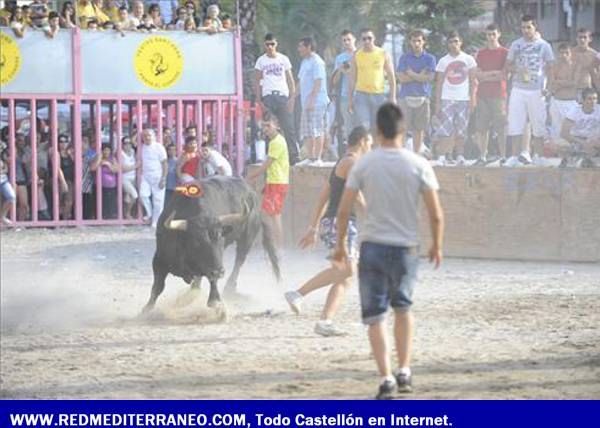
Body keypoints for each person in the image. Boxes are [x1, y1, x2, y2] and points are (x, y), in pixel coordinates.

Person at [332, 103, 444, 399]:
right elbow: (436, 214)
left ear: (378, 131)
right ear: (403, 130)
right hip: (406, 246)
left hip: (373, 246)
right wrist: (437, 244)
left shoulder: (364, 165)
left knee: (375, 316)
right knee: (404, 308)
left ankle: (385, 377)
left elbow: (344, 210)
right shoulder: (418, 164)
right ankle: (405, 369)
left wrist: (340, 245)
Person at [284, 126, 372, 337]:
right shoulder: (352, 163)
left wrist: (313, 228)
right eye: (370, 142)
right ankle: (297, 293)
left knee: (345, 277)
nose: (371, 147)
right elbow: (357, 196)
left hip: (337, 222)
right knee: (347, 271)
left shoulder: (342, 163)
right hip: (339, 223)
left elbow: (324, 196)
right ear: (361, 141)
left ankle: (325, 321)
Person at [506, 15, 554, 165]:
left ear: (535, 27)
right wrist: (518, 70)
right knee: (515, 123)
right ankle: (514, 157)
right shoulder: (516, 44)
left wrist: (549, 88)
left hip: (537, 90)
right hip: (518, 89)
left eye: (528, 27)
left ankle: (539, 157)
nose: (525, 30)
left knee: (538, 124)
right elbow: (508, 65)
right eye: (523, 27)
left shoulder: (544, 45)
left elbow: (551, 68)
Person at [254, 33, 300, 165]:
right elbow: (257, 81)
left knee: (288, 127)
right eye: (267, 44)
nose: (270, 47)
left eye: (272, 44)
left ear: (276, 44)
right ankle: (271, 156)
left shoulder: (283, 59)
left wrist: (292, 98)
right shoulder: (261, 61)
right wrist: (259, 101)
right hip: (268, 97)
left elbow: (290, 80)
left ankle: (294, 156)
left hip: (282, 96)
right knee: (269, 127)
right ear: (264, 45)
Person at [433, 31, 477, 165]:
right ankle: (442, 156)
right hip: (447, 98)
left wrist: (472, 99)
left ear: (461, 42)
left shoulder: (469, 60)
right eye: (451, 42)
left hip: (464, 99)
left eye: (456, 41)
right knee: (445, 129)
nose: (454, 45)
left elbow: (472, 81)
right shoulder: (443, 61)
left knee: (461, 129)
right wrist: (437, 103)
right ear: (448, 44)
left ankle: (460, 155)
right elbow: (439, 83)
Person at [247, 113, 289, 252]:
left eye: (268, 125)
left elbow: (266, 165)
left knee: (274, 216)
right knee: (271, 215)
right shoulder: (275, 141)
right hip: (275, 182)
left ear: (276, 125)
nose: (265, 129)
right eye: (264, 126)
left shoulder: (276, 142)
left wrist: (250, 176)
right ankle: (275, 247)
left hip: (277, 183)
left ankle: (278, 248)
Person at [396, 29, 436, 155]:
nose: (416, 43)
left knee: (419, 129)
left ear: (424, 42)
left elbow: (429, 78)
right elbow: (401, 78)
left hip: (423, 97)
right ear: (410, 42)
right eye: (414, 41)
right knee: (403, 128)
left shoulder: (430, 58)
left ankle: (417, 154)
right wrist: (420, 75)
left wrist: (411, 73)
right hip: (405, 97)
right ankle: (401, 155)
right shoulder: (404, 58)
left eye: (419, 41)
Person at [348, 28, 397, 132]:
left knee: (378, 128)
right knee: (364, 126)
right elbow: (352, 78)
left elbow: (391, 76)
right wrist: (350, 98)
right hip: (361, 95)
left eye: (369, 38)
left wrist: (393, 97)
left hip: (379, 95)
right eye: (364, 39)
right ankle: (366, 148)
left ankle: (375, 148)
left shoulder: (383, 54)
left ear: (374, 39)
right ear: (360, 40)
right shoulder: (356, 55)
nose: (366, 41)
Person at [473, 24, 508, 164]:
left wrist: (488, 75)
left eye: (493, 34)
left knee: (501, 127)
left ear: (499, 34)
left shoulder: (505, 52)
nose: (491, 37)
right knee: (482, 127)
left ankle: (503, 155)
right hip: (482, 94)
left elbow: (504, 75)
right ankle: (482, 155)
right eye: (488, 34)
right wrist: (493, 73)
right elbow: (478, 76)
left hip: (499, 94)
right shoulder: (481, 53)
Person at [296, 36, 330, 166]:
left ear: (309, 47)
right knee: (307, 131)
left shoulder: (317, 62)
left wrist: (312, 99)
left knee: (317, 129)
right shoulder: (305, 62)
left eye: (301, 46)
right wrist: (293, 97)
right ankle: (310, 157)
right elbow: (300, 81)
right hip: (305, 103)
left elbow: (318, 81)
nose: (299, 49)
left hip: (317, 102)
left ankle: (317, 158)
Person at [559, 88, 600, 167]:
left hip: (593, 139)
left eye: (595, 99)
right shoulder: (574, 111)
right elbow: (564, 133)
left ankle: (586, 159)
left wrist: (595, 140)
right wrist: (582, 142)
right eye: (589, 99)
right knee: (559, 145)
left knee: (592, 147)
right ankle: (577, 159)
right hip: (576, 139)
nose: (593, 102)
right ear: (583, 100)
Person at [331, 30, 357, 144]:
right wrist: (340, 70)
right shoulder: (339, 58)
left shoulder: (360, 54)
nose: (347, 42)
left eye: (349, 39)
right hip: (345, 96)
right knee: (348, 125)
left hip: (361, 94)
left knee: (362, 124)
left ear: (354, 40)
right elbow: (334, 81)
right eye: (344, 40)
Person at [548, 43, 578, 139]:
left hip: (571, 101)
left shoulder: (576, 66)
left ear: (571, 53)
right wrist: (566, 82)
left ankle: (571, 151)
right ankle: (557, 152)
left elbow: (574, 83)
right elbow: (552, 83)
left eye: (566, 53)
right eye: (561, 53)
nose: (564, 55)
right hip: (556, 101)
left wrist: (559, 82)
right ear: (558, 54)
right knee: (556, 129)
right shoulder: (554, 66)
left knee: (571, 129)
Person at [140, 128, 167, 228]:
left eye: (149, 135)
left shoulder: (159, 147)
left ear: (154, 136)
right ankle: (150, 214)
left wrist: (163, 178)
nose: (147, 137)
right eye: (145, 135)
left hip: (158, 176)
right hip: (146, 176)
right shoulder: (142, 147)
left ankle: (156, 222)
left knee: (158, 201)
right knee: (143, 195)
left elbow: (164, 163)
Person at [92, 144, 119, 219]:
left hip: (111, 185)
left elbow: (116, 170)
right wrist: (99, 159)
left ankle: (110, 217)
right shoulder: (98, 158)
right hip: (100, 185)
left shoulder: (112, 159)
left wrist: (108, 164)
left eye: (108, 150)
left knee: (110, 202)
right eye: (104, 150)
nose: (106, 152)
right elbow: (92, 168)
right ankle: (100, 217)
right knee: (101, 202)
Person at [572, 28, 599, 99]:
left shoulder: (594, 55)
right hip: (571, 89)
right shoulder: (570, 53)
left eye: (585, 37)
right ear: (576, 39)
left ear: (590, 39)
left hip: (586, 89)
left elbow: (596, 74)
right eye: (580, 37)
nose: (582, 40)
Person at [121, 136, 139, 220]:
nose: (127, 145)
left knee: (128, 197)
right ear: (122, 145)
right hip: (125, 178)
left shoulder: (133, 151)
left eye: (129, 143)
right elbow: (123, 169)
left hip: (134, 177)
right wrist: (135, 166)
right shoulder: (120, 153)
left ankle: (125, 214)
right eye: (125, 144)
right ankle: (127, 213)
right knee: (134, 195)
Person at [0, 150, 16, 226]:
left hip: (3, 180)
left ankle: (2, 217)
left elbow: (6, 169)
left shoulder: (3, 157)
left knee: (11, 197)